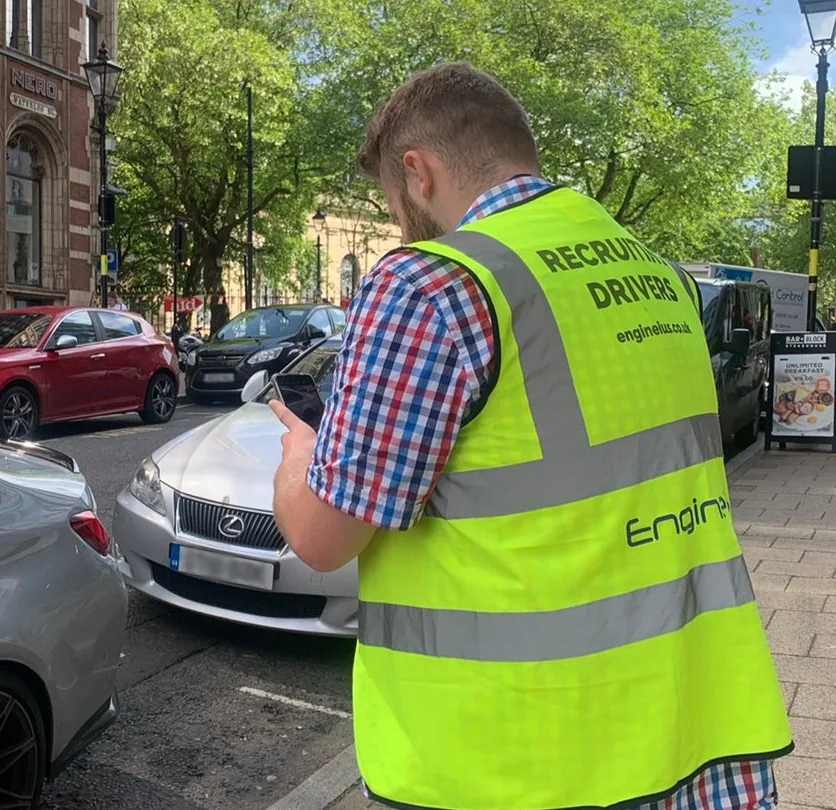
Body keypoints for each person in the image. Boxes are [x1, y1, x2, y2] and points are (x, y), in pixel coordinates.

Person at [269, 63, 792, 810]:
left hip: (517, 760)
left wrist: (299, 458)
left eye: (393, 202)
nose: (400, 226)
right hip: (690, 733)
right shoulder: (661, 278)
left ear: (418, 173)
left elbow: (326, 538)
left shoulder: (433, 284)